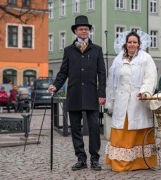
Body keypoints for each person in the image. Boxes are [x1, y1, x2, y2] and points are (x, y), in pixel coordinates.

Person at [48, 15, 106, 171]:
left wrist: (102, 93)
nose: (84, 31)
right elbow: (63, 72)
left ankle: (95, 159)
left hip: (91, 94)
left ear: (89, 31)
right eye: (81, 29)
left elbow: (102, 74)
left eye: (86, 29)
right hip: (74, 93)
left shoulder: (97, 50)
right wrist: (55, 86)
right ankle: (81, 158)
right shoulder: (69, 50)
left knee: (94, 127)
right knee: (75, 128)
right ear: (75, 31)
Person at [105, 31, 158, 171]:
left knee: (137, 129)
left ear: (139, 44)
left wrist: (145, 91)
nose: (132, 44)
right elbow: (111, 80)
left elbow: (150, 77)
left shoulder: (146, 58)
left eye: (135, 42)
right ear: (125, 44)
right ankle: (120, 163)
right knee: (120, 129)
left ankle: (141, 162)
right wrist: (110, 99)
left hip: (137, 100)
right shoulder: (118, 60)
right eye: (130, 42)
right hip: (121, 100)